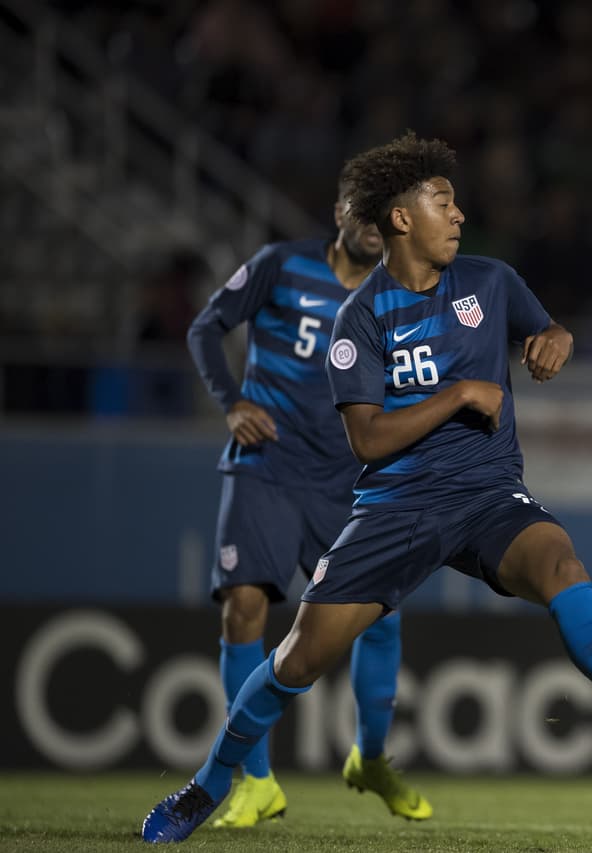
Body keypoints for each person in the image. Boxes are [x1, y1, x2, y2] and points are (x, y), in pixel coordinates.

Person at [143, 132, 592, 844]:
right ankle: (211, 783)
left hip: (487, 494)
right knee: (298, 657)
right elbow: (367, 440)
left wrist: (555, 341)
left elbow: (551, 332)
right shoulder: (360, 321)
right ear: (402, 219)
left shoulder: (492, 281)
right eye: (444, 201)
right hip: (396, 509)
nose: (460, 214)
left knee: (559, 557)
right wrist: (457, 394)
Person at [185, 170, 433, 827]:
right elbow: (206, 328)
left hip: (350, 484)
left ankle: (371, 757)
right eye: (364, 209)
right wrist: (232, 401)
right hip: (266, 468)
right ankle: (257, 778)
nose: (373, 223)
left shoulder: (398, 296)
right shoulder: (280, 265)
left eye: (386, 214)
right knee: (243, 608)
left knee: (379, 618)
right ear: (341, 210)